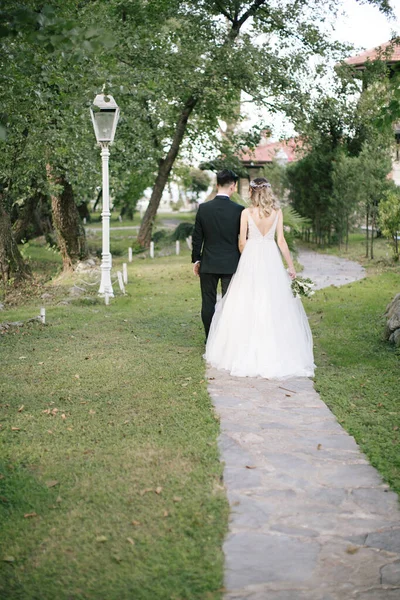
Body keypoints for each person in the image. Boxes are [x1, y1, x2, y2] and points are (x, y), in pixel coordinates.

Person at [204, 177, 315, 379]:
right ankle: (274, 349)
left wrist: (246, 259)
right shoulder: (277, 212)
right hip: (271, 258)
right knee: (273, 302)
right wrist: (290, 267)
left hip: (251, 257)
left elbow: (241, 242)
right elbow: (281, 241)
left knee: (247, 301)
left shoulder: (246, 213)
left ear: (253, 192)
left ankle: (243, 348)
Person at [192, 169, 244, 339]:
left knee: (208, 303)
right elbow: (243, 239)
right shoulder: (239, 210)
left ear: (217, 185)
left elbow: (197, 238)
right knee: (230, 303)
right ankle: (227, 340)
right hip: (231, 263)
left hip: (209, 262)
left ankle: (210, 339)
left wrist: (196, 260)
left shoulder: (204, 209)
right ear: (233, 186)